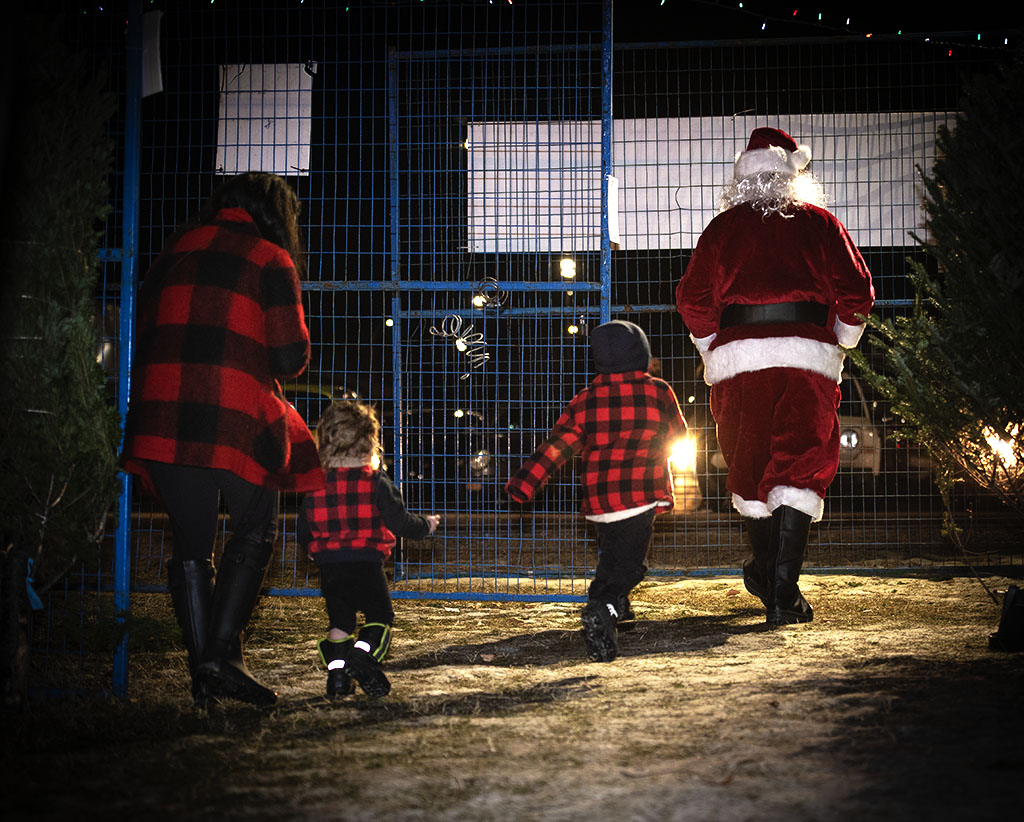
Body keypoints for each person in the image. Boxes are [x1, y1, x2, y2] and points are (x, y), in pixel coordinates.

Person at [121, 172, 325, 706]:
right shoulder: (268, 258)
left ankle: (204, 678)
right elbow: (288, 357)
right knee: (256, 527)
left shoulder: (173, 253)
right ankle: (219, 656)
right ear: (275, 214)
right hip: (231, 416)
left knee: (192, 544)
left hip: (161, 417)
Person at [675, 127, 875, 626]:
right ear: (792, 175)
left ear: (743, 178)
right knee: (800, 466)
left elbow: (692, 298)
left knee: (750, 468)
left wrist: (709, 346)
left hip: (739, 364)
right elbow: (858, 290)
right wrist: (844, 338)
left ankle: (769, 578)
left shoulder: (721, 231)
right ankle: (781, 592)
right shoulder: (822, 225)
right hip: (808, 359)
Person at [505, 321, 687, 662]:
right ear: (643, 357)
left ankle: (615, 605)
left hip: (601, 502)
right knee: (630, 567)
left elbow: (557, 447)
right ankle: (602, 607)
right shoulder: (660, 391)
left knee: (614, 554)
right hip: (640, 495)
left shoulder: (585, 400)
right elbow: (680, 433)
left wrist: (523, 483)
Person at [297, 400, 440, 697]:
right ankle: (361, 657)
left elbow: (305, 521)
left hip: (330, 565)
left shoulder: (315, 483)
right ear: (370, 441)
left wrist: (309, 547)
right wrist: (425, 526)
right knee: (379, 617)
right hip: (366, 562)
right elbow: (398, 521)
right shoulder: (375, 481)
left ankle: (337, 680)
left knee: (340, 623)